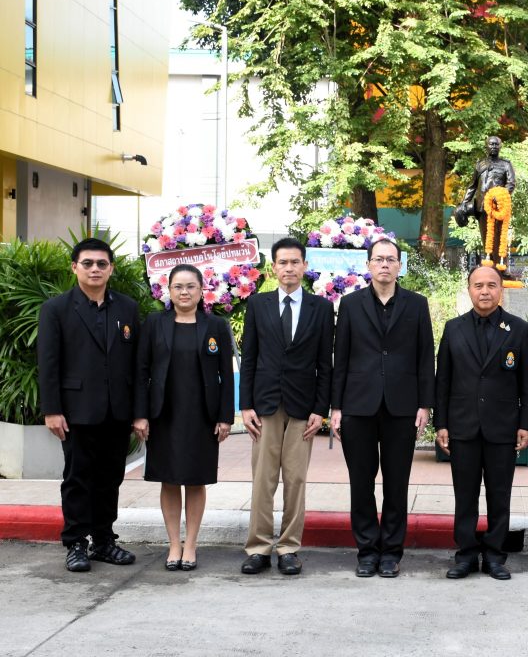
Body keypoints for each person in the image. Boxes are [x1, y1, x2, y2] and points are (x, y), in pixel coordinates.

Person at [330, 238, 434, 578]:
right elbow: (341, 358)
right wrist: (336, 406)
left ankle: (391, 551)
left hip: (402, 406)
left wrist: (425, 404)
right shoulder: (350, 304)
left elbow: (424, 358)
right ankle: (366, 550)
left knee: (396, 482)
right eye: (379, 259)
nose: (385, 265)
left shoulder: (416, 305)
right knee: (360, 482)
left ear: (399, 266)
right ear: (369, 265)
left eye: (391, 259)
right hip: (357, 405)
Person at [38, 237, 140, 572]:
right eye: (88, 263)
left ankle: (104, 541)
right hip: (76, 411)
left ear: (110, 268)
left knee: (110, 478)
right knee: (77, 478)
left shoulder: (127, 308)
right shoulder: (56, 309)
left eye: (101, 264)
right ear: (75, 267)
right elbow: (49, 364)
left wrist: (138, 412)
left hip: (117, 410)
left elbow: (137, 365)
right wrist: (52, 410)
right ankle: (76, 543)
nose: (95, 269)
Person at [238, 237, 333, 576]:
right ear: (274, 267)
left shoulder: (320, 309)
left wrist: (319, 409)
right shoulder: (258, 305)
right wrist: (245, 405)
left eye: (295, 262)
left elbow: (325, 364)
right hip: (264, 405)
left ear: (305, 266)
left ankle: (290, 547)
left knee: (295, 480)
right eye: (283, 262)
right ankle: (259, 547)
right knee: (263, 480)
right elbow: (249, 358)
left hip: (302, 407)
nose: (289, 268)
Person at [434, 265, 528, 580]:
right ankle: (465, 555)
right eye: (478, 285)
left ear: (501, 290)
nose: (485, 291)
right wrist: (442, 424)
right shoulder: (454, 329)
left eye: (491, 285)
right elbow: (443, 381)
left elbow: (527, 382)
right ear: (469, 290)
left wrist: (525, 423)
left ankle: (494, 556)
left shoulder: (517, 329)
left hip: (502, 427)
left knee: (499, 494)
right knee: (464, 495)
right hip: (463, 426)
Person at [132, 264, 235, 571]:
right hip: (164, 414)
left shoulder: (215, 325)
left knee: (195, 479)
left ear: (202, 290)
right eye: (178, 286)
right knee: (169, 478)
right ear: (169, 290)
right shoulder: (154, 323)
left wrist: (225, 417)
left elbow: (225, 376)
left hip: (201, 416)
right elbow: (142, 372)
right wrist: (140, 415)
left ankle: (191, 544)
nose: (184, 292)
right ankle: (173, 544)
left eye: (191, 286)